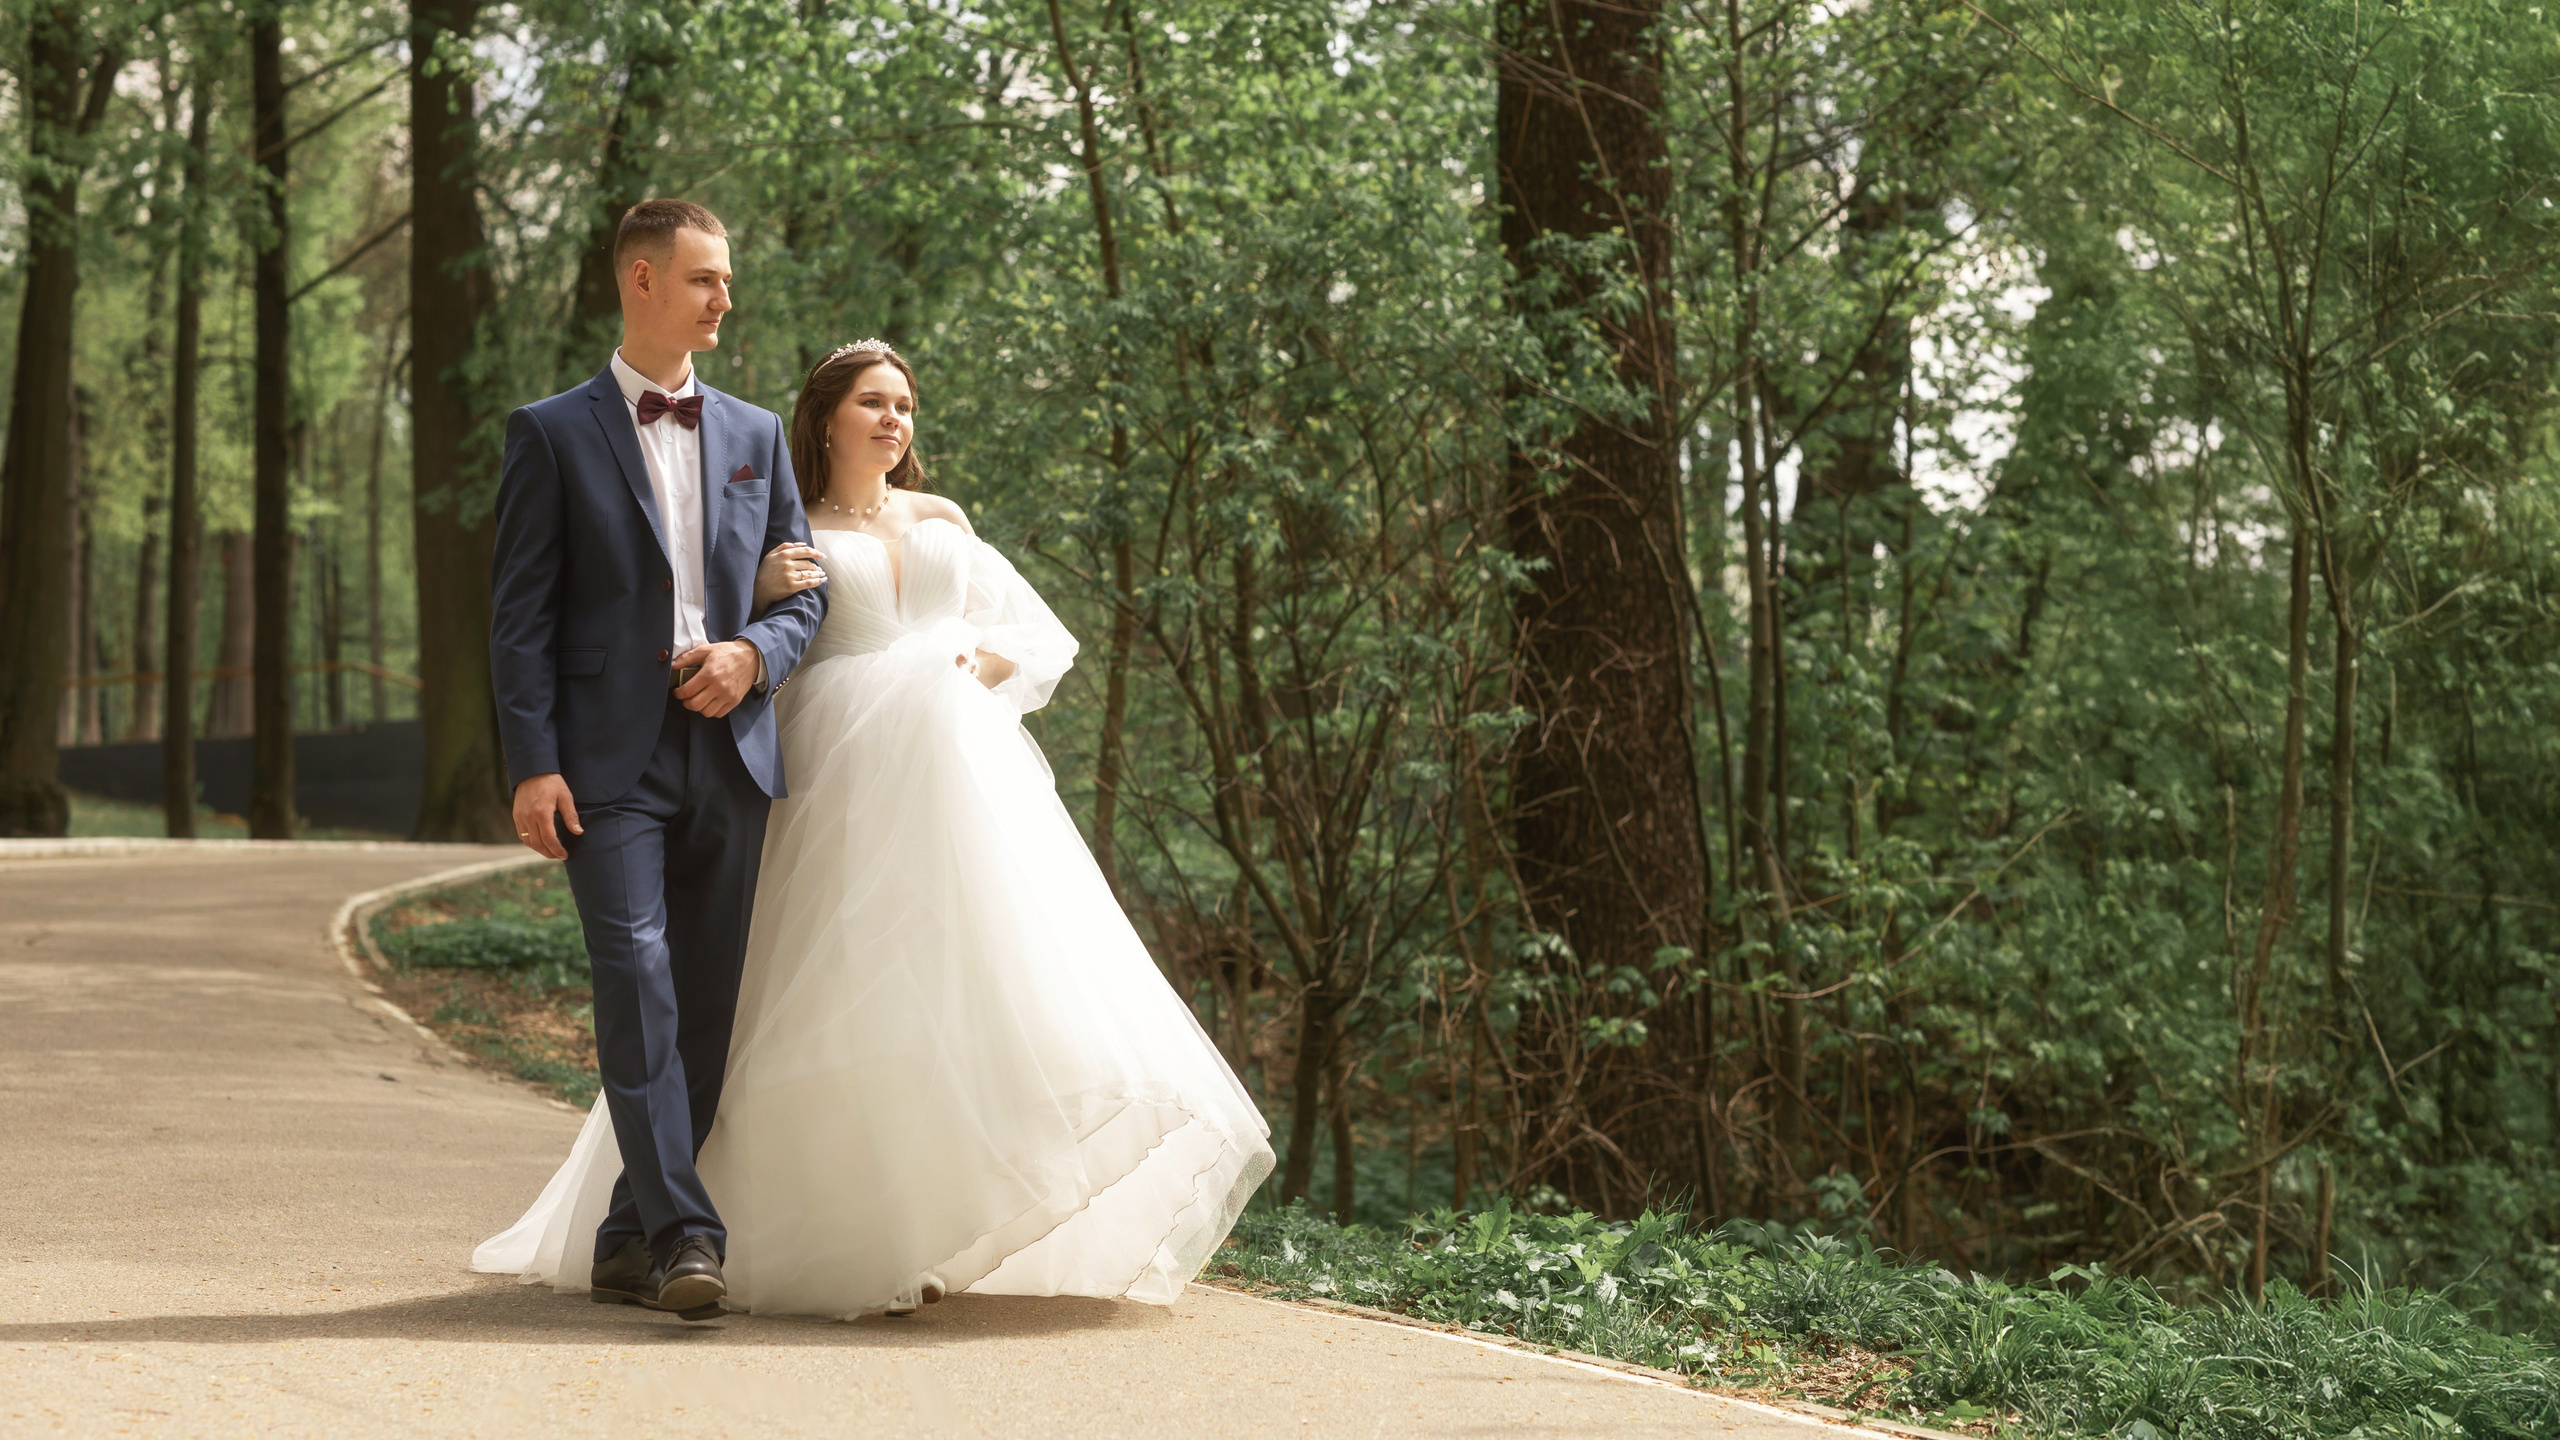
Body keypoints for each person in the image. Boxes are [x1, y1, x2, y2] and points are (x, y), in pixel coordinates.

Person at [477, 339, 1275, 1318]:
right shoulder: (784, 525)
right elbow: (732, 629)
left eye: (904, 405)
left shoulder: (942, 518)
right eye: (873, 403)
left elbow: (1031, 637)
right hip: (836, 778)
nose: (895, 420)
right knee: (816, 995)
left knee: (963, 993)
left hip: (955, 779)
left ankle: (936, 1225)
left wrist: (966, 668)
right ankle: (685, 1228)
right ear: (825, 420)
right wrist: (761, 601)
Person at [484, 199, 826, 1321]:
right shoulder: (548, 432)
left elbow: (805, 595)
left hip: (729, 745)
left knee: (709, 1007)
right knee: (636, 978)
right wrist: (533, 763)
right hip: (604, 761)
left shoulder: (758, 434)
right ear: (641, 281)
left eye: (724, 280)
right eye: (705, 279)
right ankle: (686, 1232)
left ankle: (628, 1237)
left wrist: (752, 655)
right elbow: (520, 617)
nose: (725, 297)